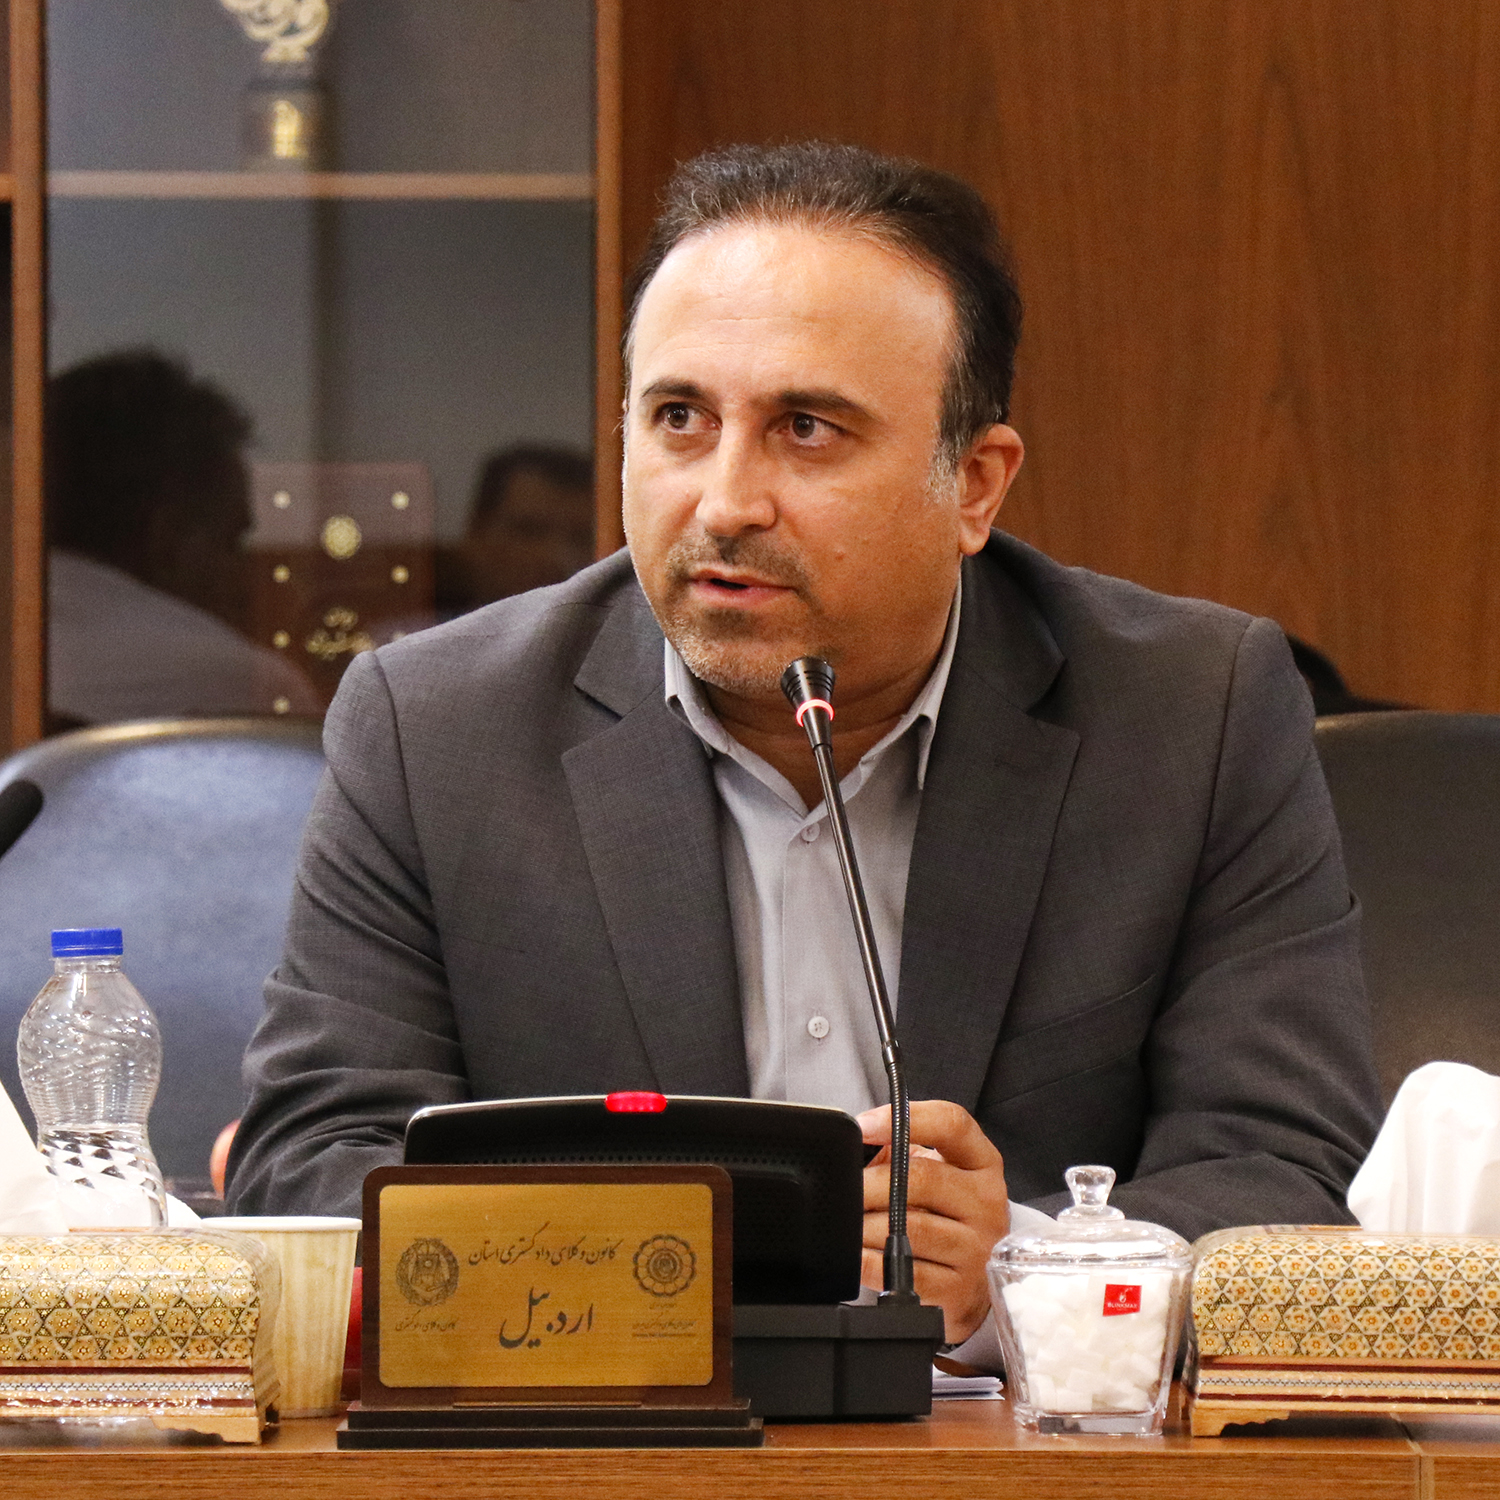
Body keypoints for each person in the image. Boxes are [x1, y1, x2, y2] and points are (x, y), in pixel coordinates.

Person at [228, 143, 1382, 1358]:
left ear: (974, 485)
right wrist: (643, 1277)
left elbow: (1283, 1173)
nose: (727, 500)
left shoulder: (1191, 716)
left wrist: (1031, 1274)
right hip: (601, 1436)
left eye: (808, 429)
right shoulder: (438, 727)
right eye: (680, 418)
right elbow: (309, 1162)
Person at [47, 350, 321, 725]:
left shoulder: (25, 655)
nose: (245, 574)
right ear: (168, 537)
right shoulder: (248, 683)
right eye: (230, 540)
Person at [437, 444, 594, 615]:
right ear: (479, 530)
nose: (553, 555)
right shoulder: (424, 625)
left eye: (581, 538)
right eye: (529, 532)